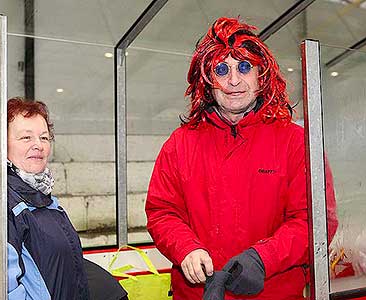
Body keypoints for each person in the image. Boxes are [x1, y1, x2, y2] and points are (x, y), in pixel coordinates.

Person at [145, 17, 338, 300]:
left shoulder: (296, 143)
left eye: (244, 67)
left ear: (261, 75)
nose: (233, 80)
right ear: (207, 82)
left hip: (273, 293)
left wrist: (264, 258)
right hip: (199, 294)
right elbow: (162, 211)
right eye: (221, 70)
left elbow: (315, 219)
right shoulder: (180, 144)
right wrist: (186, 247)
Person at [0, 97, 127, 300]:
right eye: (26, 138)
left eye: (44, 138)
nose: (38, 145)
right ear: (0, 145)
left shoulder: (44, 199)